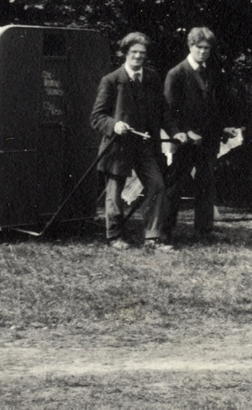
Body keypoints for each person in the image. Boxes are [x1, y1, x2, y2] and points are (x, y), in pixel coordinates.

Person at [90, 32, 171, 251]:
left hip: (145, 146)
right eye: (133, 52)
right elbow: (97, 117)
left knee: (157, 186)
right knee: (114, 193)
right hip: (118, 147)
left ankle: (153, 236)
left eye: (142, 53)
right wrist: (114, 125)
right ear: (125, 53)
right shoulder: (111, 80)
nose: (137, 57)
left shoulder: (152, 78)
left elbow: (163, 111)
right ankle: (115, 235)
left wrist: (176, 132)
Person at [162, 26, 228, 242]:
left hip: (208, 140)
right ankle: (164, 230)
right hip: (184, 141)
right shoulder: (176, 73)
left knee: (206, 184)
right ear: (190, 46)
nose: (202, 52)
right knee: (176, 184)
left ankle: (204, 230)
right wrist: (185, 131)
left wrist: (221, 129)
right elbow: (169, 110)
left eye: (207, 48)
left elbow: (214, 106)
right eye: (199, 48)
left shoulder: (212, 72)